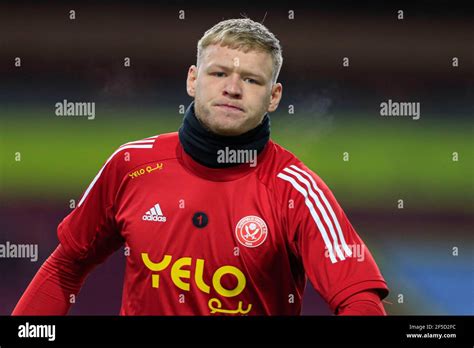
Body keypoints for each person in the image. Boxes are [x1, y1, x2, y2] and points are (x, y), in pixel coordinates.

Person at [13, 18, 388, 316]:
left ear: (273, 97)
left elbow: (360, 301)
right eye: (219, 73)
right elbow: (65, 267)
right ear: (193, 80)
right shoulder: (131, 165)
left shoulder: (296, 190)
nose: (232, 89)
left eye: (251, 80)